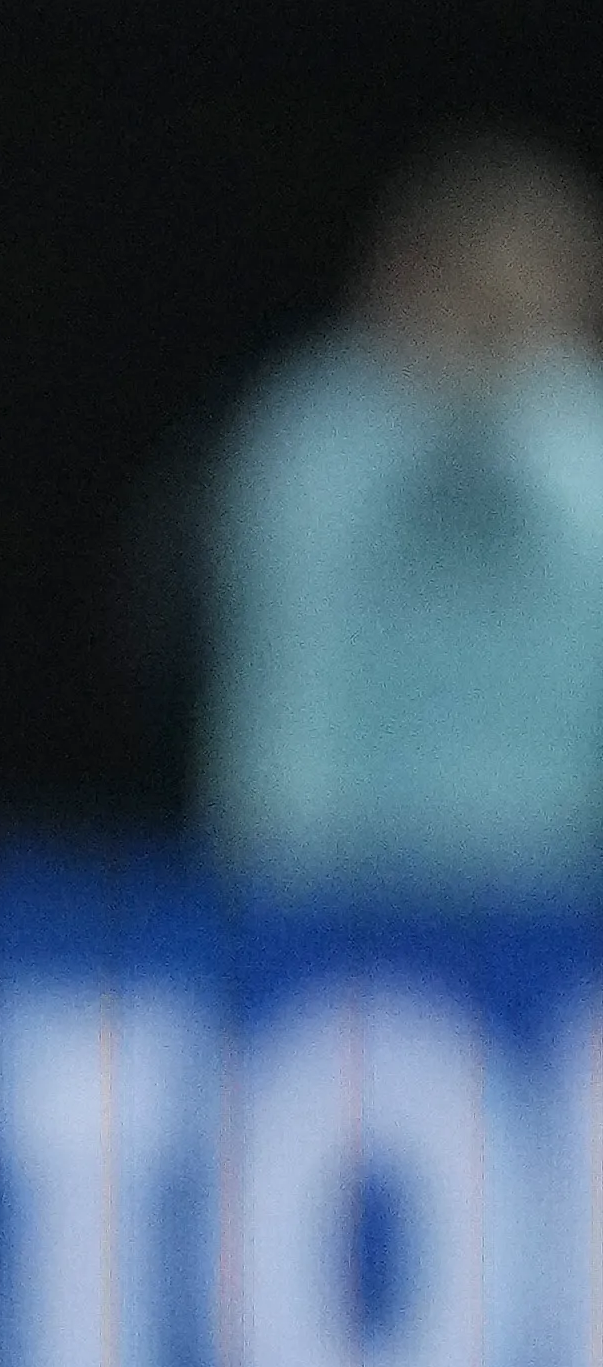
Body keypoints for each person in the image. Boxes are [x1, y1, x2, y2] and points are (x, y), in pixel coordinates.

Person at [206, 135, 603, 899]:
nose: (492, 317)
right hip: (336, 884)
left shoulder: (586, 443)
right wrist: (270, 891)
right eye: (471, 287)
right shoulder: (311, 435)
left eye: (522, 298)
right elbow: (283, 693)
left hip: (560, 898)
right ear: (401, 281)